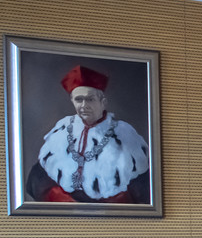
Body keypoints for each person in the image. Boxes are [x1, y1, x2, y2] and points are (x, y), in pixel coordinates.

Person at [27, 64, 151, 204]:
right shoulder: (61, 130)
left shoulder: (124, 134)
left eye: (90, 99)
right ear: (72, 101)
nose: (84, 105)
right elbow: (37, 182)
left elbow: (144, 190)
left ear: (103, 102)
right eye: (79, 99)